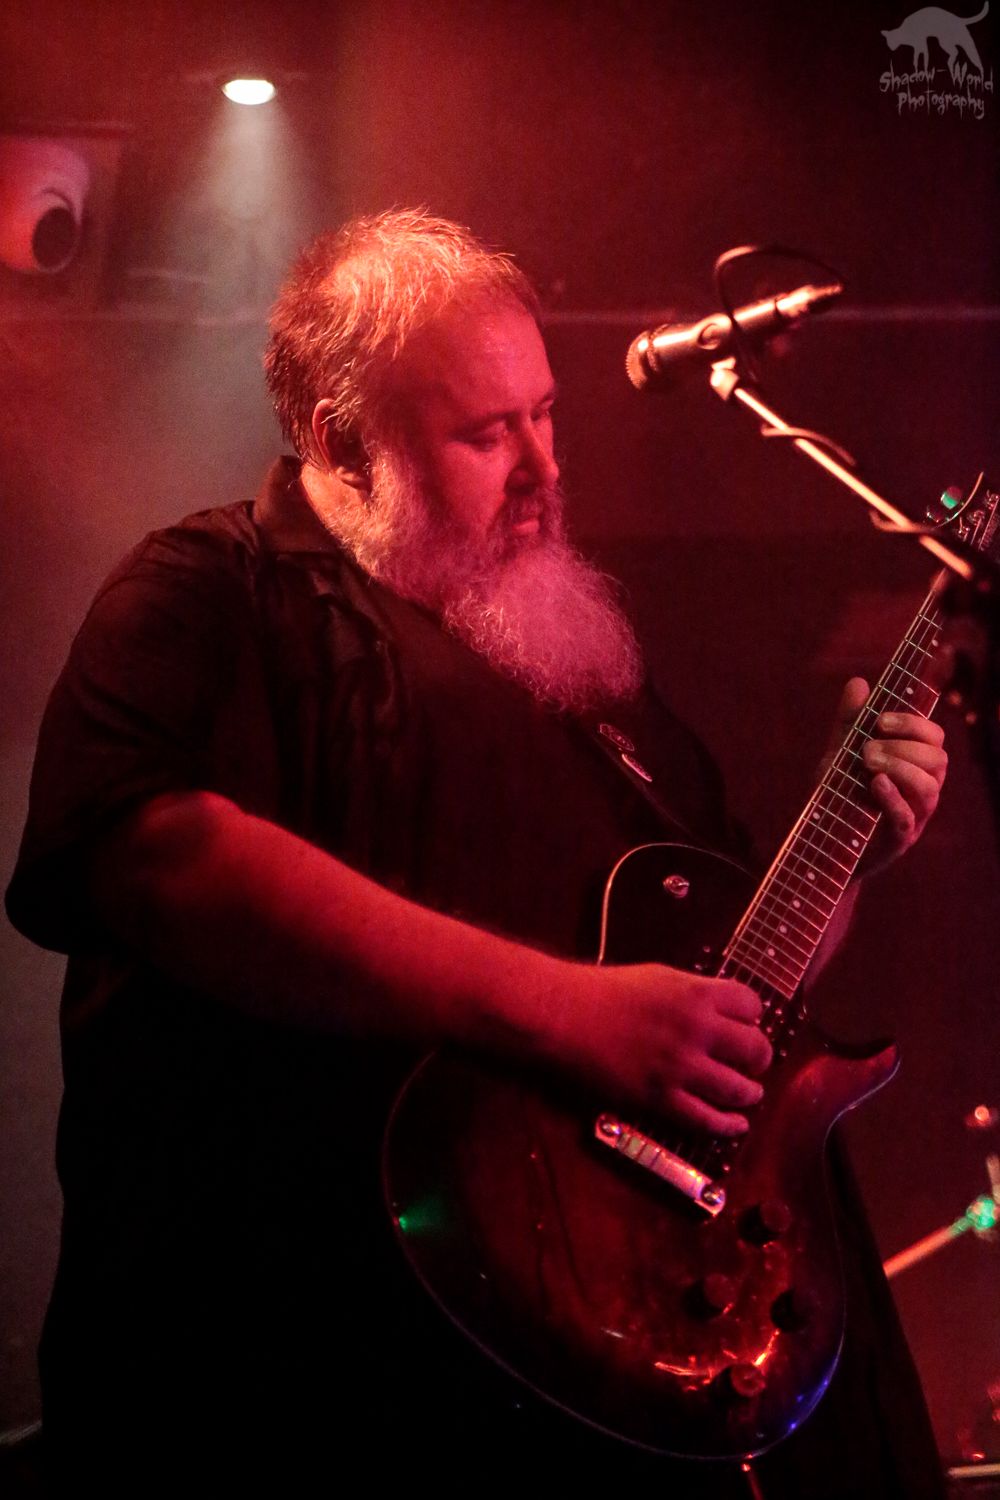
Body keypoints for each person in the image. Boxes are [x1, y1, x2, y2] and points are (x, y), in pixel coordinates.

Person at [7, 209, 948, 1496]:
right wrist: (575, 1014)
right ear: (342, 440)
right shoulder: (206, 590)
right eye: (485, 433)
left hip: (605, 1389)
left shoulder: (586, 673)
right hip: (311, 1383)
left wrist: (850, 857)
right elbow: (157, 854)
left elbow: (730, 995)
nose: (543, 467)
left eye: (545, 414)